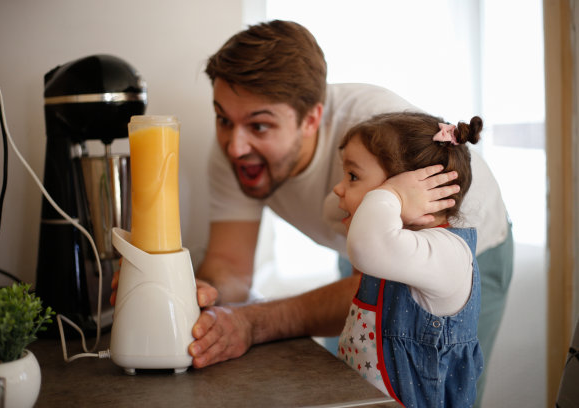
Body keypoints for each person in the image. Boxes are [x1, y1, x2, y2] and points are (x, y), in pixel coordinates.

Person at [190, 20, 512, 406]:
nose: (234, 146)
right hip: (364, 247)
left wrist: (252, 323)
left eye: (259, 125)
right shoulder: (237, 147)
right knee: (354, 372)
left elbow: (377, 256)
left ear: (312, 119)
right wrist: (197, 299)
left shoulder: (380, 138)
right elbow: (229, 263)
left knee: (428, 382)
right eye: (223, 118)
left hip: (461, 253)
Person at [333, 112, 483, 406]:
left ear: (414, 187)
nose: (338, 188)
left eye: (352, 176)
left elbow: (367, 246)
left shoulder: (447, 253)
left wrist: (391, 194)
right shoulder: (395, 247)